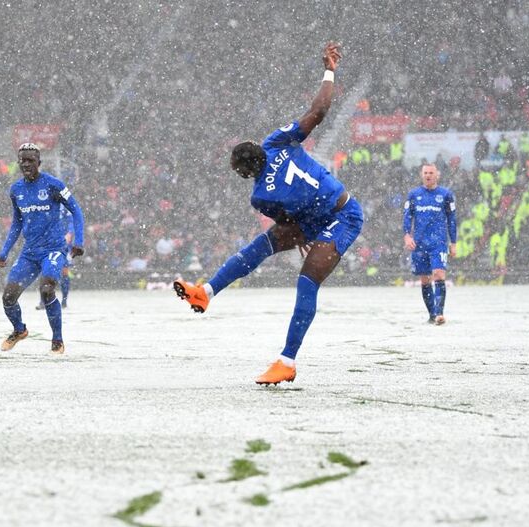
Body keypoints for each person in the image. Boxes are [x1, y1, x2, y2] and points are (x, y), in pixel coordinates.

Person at [173, 42, 363, 385]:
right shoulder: (276, 141)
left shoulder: (261, 196)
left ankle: (286, 361)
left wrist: (303, 233)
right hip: (334, 206)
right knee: (275, 253)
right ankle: (206, 292)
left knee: (300, 275)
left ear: (246, 173)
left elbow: (289, 218)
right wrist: (329, 70)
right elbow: (319, 111)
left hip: (343, 218)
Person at [0, 143, 84, 354]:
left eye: (30, 160)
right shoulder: (16, 190)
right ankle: (19, 330)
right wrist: (4, 251)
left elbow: (76, 210)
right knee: (8, 297)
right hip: (29, 253)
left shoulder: (53, 185)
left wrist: (79, 241)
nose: (26, 164)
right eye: (23, 160)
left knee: (46, 289)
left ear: (39, 162)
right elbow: (17, 223)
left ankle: (57, 340)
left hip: (53, 249)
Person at [403, 163, 457, 325]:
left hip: (438, 242)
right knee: (425, 280)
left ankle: (440, 313)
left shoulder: (446, 195)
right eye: (425, 173)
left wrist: (453, 242)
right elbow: (407, 216)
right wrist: (407, 236)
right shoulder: (414, 195)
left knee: (439, 274)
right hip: (419, 244)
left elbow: (452, 220)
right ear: (422, 175)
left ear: (437, 175)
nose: (428, 175)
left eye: (431, 173)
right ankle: (432, 315)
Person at [35, 211, 75, 310]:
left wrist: (70, 233)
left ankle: (64, 301)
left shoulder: (65, 207)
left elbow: (72, 221)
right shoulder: (46, 206)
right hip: (49, 243)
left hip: (64, 245)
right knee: (45, 271)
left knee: (64, 272)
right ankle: (43, 301)